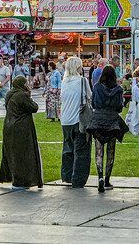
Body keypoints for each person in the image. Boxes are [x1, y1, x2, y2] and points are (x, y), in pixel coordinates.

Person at [0, 76, 42, 190]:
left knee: (12, 154)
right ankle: (21, 181)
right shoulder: (21, 95)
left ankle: (14, 178)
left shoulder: (10, 93)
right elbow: (34, 107)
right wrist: (29, 95)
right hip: (21, 128)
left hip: (9, 126)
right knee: (22, 155)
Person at [90, 65, 126, 192]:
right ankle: (107, 180)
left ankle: (99, 176)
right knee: (111, 151)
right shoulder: (118, 89)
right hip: (112, 120)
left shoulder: (97, 87)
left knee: (98, 151)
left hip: (98, 119)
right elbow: (120, 107)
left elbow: (93, 103)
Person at [60, 56, 92, 189]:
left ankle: (67, 175)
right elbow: (89, 97)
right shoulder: (82, 81)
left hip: (65, 119)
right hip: (78, 119)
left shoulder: (64, 82)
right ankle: (78, 179)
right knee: (81, 151)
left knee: (68, 149)